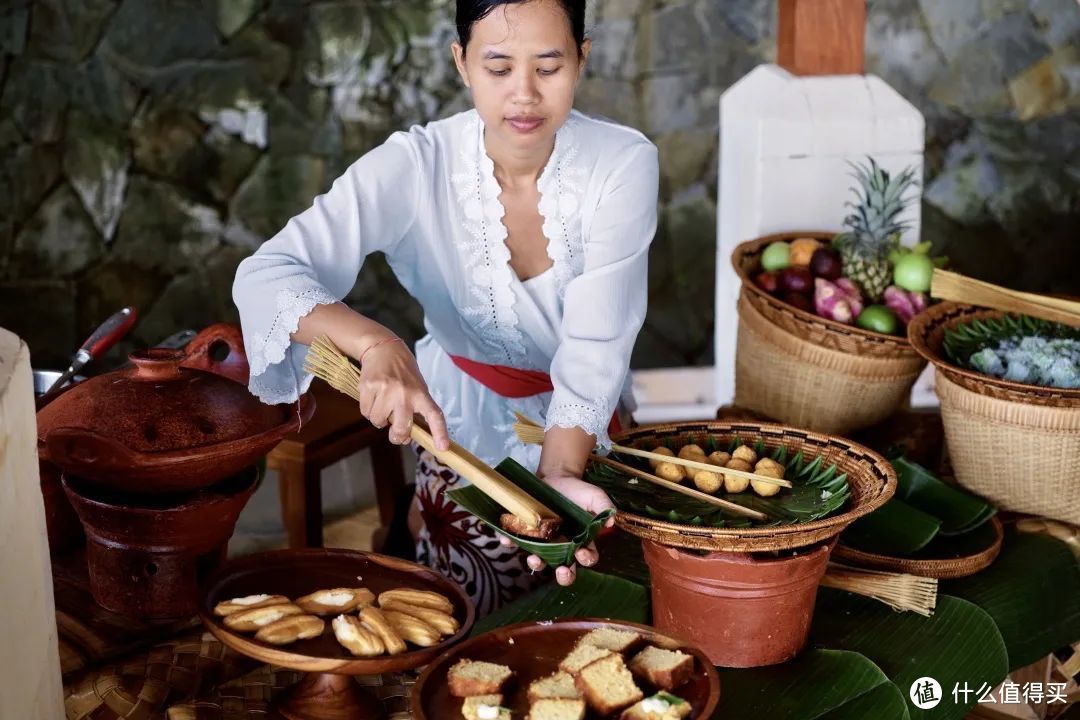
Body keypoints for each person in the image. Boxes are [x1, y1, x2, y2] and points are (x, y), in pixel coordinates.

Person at [233, 0, 659, 616]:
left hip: (582, 425)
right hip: (454, 425)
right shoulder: (416, 164)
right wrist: (378, 345)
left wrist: (560, 479)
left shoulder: (622, 163)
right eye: (498, 66)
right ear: (461, 63)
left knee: (593, 621)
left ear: (582, 58)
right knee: (461, 623)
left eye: (549, 66)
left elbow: (598, 344)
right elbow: (265, 275)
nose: (524, 95)